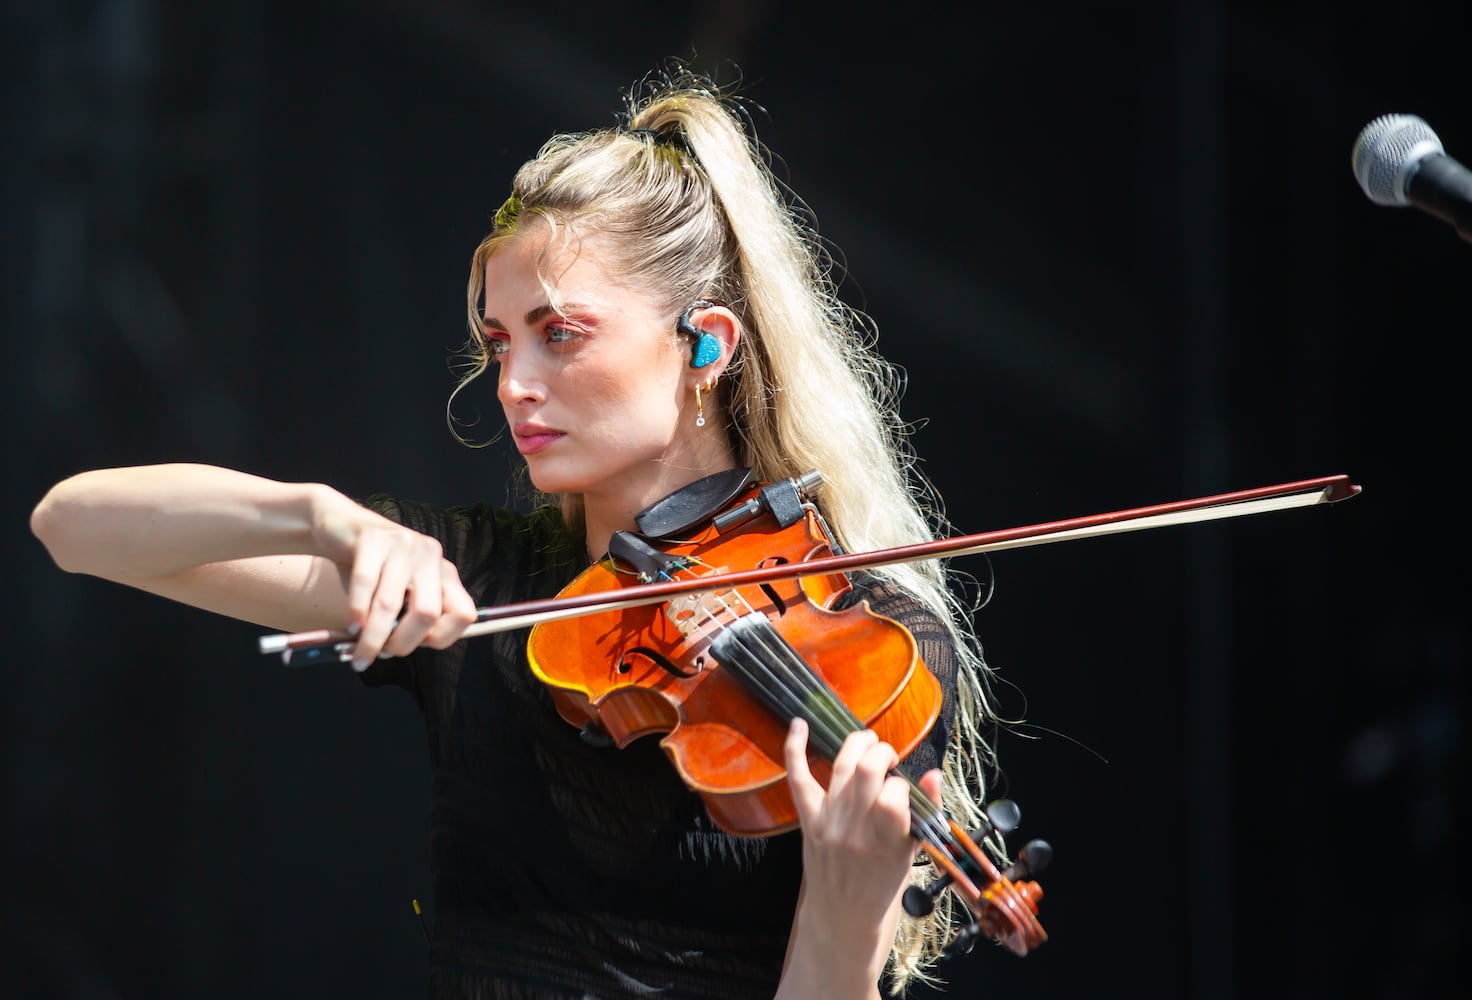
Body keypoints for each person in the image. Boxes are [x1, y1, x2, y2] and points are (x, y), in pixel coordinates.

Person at [31, 62, 1006, 999]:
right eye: (499, 344)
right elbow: (76, 527)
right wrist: (323, 519)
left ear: (705, 343)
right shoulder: (477, 584)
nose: (513, 385)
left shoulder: (863, 634)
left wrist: (841, 934)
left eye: (560, 334)